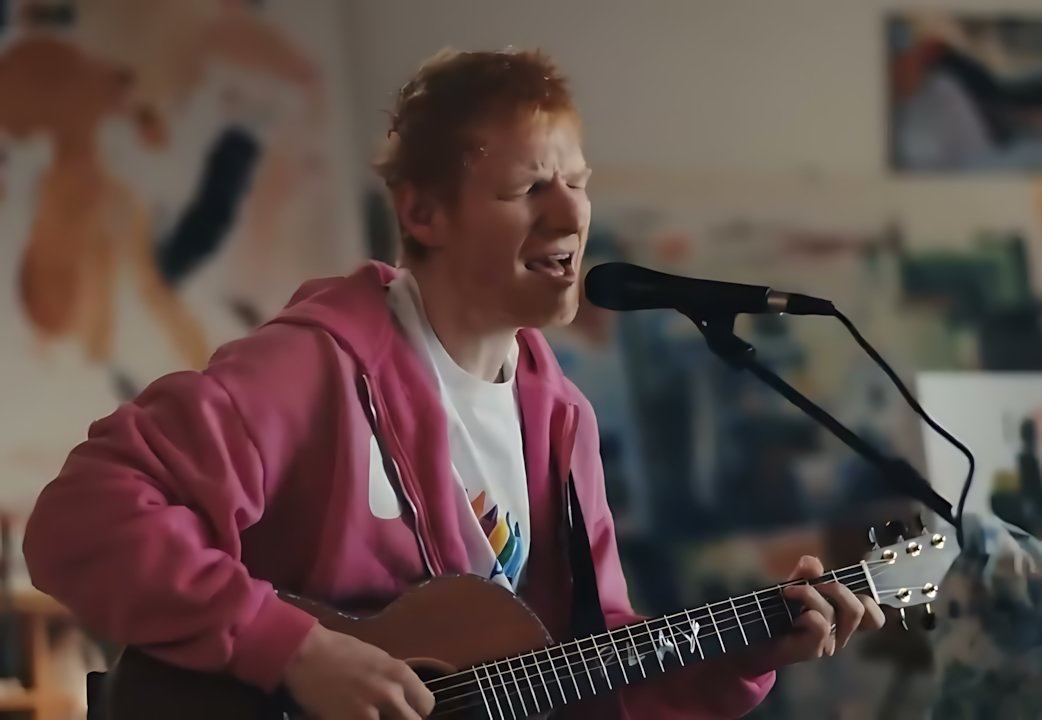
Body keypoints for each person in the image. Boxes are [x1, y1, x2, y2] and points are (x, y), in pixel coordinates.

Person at [21, 47, 885, 719]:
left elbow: (584, 665)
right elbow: (82, 519)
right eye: (529, 188)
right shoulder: (313, 370)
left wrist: (743, 654)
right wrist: (295, 650)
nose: (571, 214)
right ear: (423, 212)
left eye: (578, 183)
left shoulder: (562, 422)